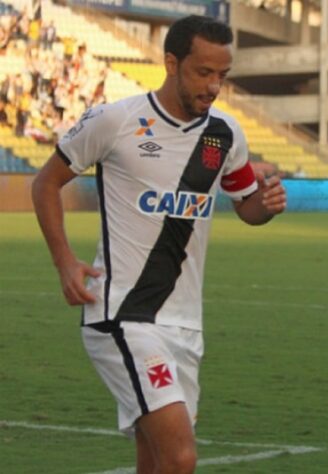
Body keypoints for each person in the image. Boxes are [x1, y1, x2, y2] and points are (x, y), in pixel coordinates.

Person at [32, 15, 287, 473]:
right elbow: (46, 183)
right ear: (171, 63)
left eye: (222, 76)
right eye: (203, 72)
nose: (213, 86)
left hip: (185, 326)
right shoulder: (117, 120)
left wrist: (266, 203)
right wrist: (65, 261)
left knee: (155, 462)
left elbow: (248, 205)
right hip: (124, 315)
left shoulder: (224, 134)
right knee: (180, 457)